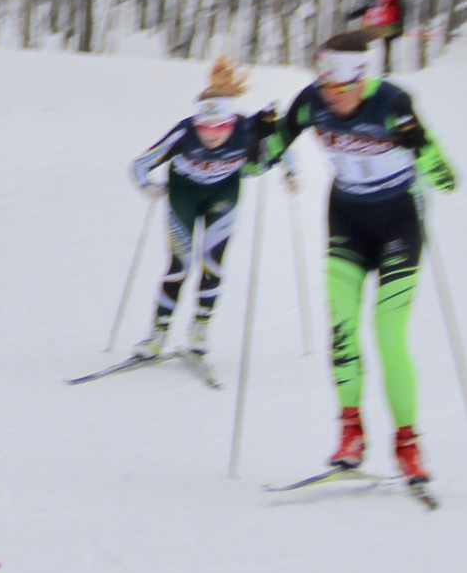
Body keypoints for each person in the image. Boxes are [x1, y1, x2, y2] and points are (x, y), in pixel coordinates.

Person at [253, 30, 456, 491]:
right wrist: (258, 138)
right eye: (325, 88)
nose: (332, 99)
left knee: (388, 332)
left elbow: (446, 181)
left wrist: (419, 143)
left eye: (341, 89)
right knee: (342, 329)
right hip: (347, 220)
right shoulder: (312, 101)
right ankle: (350, 432)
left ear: (362, 78)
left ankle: (407, 442)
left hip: (399, 223)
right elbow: (260, 162)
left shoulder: (392, 102)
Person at [128, 58, 283, 361]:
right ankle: (158, 335)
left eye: (221, 126)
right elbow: (138, 165)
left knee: (213, 263)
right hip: (184, 197)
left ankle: (200, 328)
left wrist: (270, 146)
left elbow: (261, 166)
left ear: (232, 120)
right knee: (179, 266)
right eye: (205, 126)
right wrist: (148, 187)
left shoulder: (247, 128)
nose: (211, 134)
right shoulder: (184, 133)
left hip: (223, 196)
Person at [346, 0, 406, 73]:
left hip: (389, 23)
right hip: (375, 23)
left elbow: (402, 5)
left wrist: (401, 24)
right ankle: (360, 68)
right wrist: (354, 14)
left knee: (385, 48)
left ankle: (386, 71)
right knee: (359, 42)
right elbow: (369, 6)